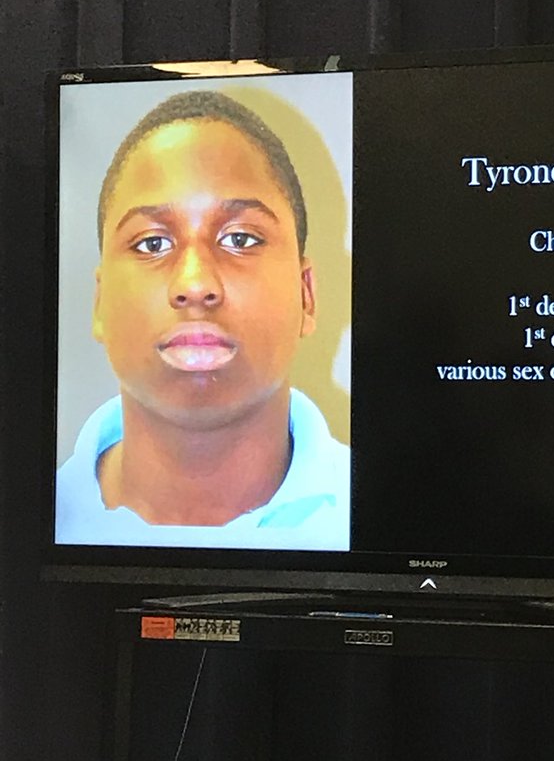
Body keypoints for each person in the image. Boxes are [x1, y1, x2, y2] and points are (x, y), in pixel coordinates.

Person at [56, 90, 350, 550]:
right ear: (99, 303)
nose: (195, 284)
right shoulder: (31, 520)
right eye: (152, 244)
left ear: (306, 295)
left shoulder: (399, 520)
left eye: (241, 239)